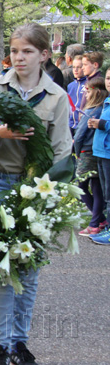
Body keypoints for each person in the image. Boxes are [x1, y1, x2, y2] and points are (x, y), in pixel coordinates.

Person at [0, 23, 71, 365]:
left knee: (28, 269)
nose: (19, 57)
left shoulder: (57, 97)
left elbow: (61, 153)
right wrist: (1, 132)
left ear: (44, 55)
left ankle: (19, 342)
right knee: (1, 268)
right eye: (15, 51)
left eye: (27, 51)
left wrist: (50, 195)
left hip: (36, 189)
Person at [75, 75, 108, 236]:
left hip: (86, 152)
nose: (85, 96)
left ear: (94, 93)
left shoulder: (91, 110)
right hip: (98, 152)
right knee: (97, 188)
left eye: (87, 92)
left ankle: (97, 220)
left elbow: (80, 135)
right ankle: (99, 220)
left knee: (79, 187)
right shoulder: (104, 108)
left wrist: (76, 152)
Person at [87, 68, 110, 246]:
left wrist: (101, 123)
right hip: (101, 152)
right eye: (108, 78)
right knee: (105, 192)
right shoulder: (107, 101)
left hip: (108, 154)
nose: (109, 81)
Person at [67, 55, 87, 135]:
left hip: (82, 126)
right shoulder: (70, 86)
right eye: (74, 67)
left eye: (79, 67)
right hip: (70, 125)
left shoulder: (88, 84)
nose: (75, 70)